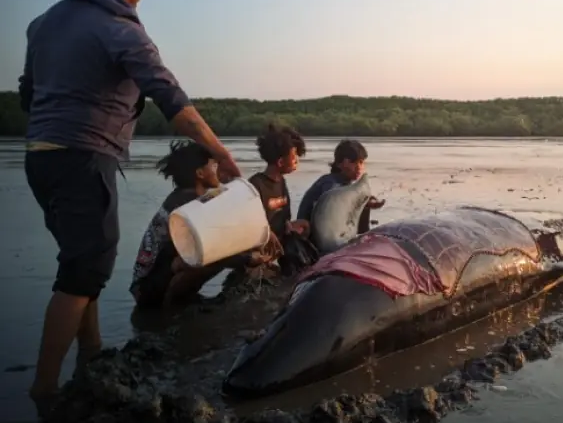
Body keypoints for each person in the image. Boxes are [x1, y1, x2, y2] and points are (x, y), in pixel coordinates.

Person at [17, 0, 241, 409]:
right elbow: (171, 101)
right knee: (87, 266)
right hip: (84, 156)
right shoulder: (122, 28)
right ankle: (44, 389)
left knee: (80, 261)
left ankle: (92, 352)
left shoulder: (44, 23)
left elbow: (27, 91)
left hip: (40, 155)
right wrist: (220, 152)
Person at [130, 141, 271, 309]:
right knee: (207, 253)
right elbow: (215, 247)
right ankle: (171, 307)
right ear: (200, 173)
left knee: (217, 250)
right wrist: (248, 259)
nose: (217, 168)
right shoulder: (185, 204)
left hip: (157, 279)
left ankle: (185, 300)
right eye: (213, 165)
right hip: (149, 290)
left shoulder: (195, 197)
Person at [248, 124, 317, 275]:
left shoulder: (281, 182)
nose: (297, 160)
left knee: (306, 226)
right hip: (263, 240)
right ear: (280, 162)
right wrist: (268, 233)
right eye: (294, 157)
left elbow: (284, 215)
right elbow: (249, 221)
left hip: (281, 236)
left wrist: (291, 226)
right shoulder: (256, 184)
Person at [297, 139, 386, 245]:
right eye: (353, 162)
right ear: (339, 164)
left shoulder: (347, 185)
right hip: (314, 241)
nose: (358, 167)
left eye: (361, 162)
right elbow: (335, 209)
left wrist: (366, 202)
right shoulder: (330, 183)